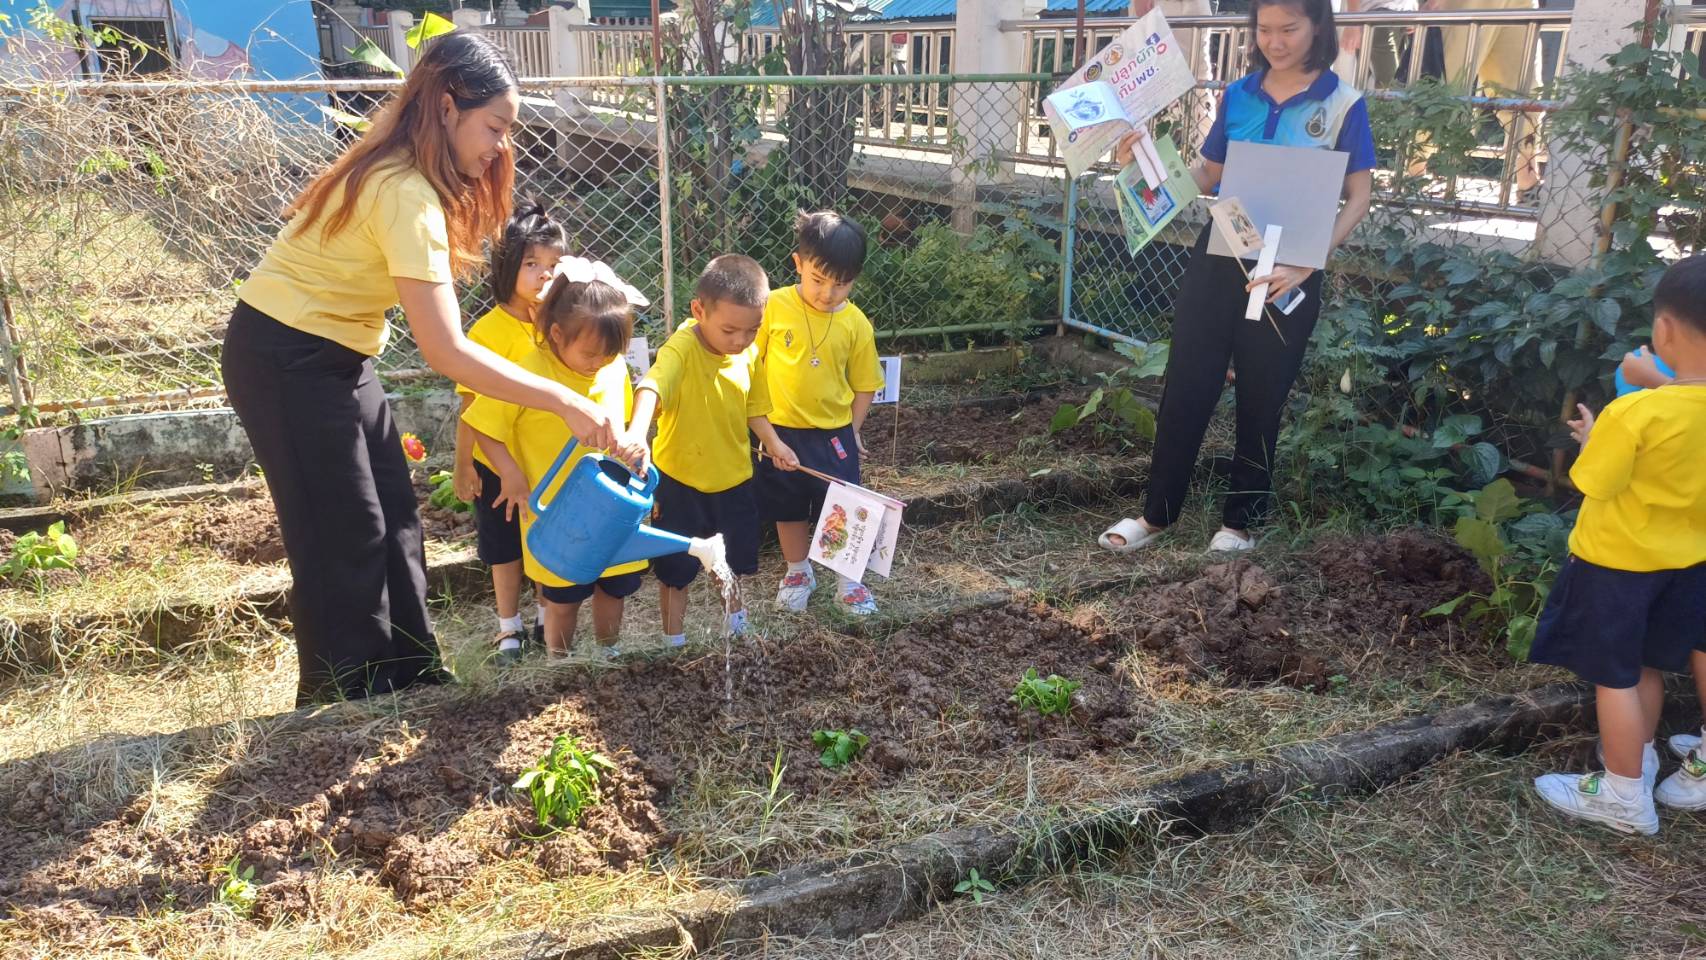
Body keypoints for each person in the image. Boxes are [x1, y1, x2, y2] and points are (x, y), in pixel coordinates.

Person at [221, 33, 619, 705]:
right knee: (343, 535)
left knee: (398, 517)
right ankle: (346, 700)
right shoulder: (404, 191)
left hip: (340, 354)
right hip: (285, 357)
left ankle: (412, 675)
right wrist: (563, 399)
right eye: (493, 127)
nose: (501, 145)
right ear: (444, 106)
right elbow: (447, 352)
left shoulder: (411, 177)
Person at [1099, 0, 1376, 555]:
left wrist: (1309, 261)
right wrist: (1145, 161)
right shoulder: (1240, 95)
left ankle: (1240, 524)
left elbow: (1359, 197)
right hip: (1223, 251)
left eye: (1289, 29)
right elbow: (1209, 174)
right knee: (1186, 386)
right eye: (1265, 29)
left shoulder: (1344, 104)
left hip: (1291, 268)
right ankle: (1156, 516)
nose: (1275, 41)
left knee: (1262, 395)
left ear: (1317, 26)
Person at [1530, 255, 1706, 833]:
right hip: (1685, 564)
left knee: (1616, 677)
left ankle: (1624, 795)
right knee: (1649, 664)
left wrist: (1592, 437)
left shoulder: (1634, 412)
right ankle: (1639, 758)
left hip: (1616, 566)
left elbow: (1594, 481)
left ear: (1664, 331)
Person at [463, 261, 650, 660]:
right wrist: (510, 474)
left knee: (612, 583)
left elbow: (622, 425)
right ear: (557, 333)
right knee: (563, 595)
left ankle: (607, 654)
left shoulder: (612, 368)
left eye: (610, 353)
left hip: (608, 505)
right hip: (555, 510)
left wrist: (634, 445)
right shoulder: (527, 372)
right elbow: (482, 424)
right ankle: (558, 661)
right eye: (590, 353)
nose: (599, 362)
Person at [626, 255, 800, 646]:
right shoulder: (681, 349)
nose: (740, 340)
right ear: (699, 310)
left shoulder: (748, 353)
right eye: (729, 330)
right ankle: (674, 640)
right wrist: (638, 432)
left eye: (752, 330)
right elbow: (652, 386)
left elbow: (754, 405)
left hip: (734, 479)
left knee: (733, 563)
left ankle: (736, 625)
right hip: (680, 483)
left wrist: (773, 443)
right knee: (675, 570)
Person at [451, 200, 566, 663]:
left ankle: (543, 615)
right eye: (532, 264)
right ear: (505, 267)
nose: (544, 275)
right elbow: (471, 407)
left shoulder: (560, 326)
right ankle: (507, 628)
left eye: (553, 266)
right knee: (504, 548)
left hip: (547, 458)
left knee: (544, 539)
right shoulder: (486, 333)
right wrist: (464, 465)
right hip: (499, 465)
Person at [757, 212, 886, 617]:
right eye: (818, 279)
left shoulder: (856, 323)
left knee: (843, 505)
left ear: (855, 278)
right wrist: (761, 430)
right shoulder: (773, 308)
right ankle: (798, 571)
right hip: (779, 434)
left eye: (841, 284)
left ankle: (848, 580)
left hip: (834, 435)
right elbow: (751, 366)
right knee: (787, 505)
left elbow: (866, 383)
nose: (828, 293)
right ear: (798, 264)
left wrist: (853, 429)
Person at [1338, 0, 1418, 89]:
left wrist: (1414, 7)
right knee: (1391, 87)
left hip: (1405, 15)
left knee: (1398, 84)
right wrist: (1353, 21)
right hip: (1378, 15)